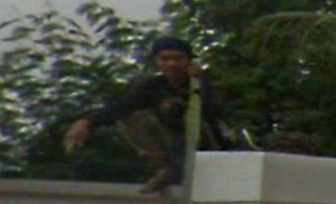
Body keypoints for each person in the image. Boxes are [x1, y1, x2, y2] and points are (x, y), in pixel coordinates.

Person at [63, 36, 225, 193]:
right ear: (157, 61)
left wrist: (200, 83)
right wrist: (87, 122)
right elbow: (121, 106)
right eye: (165, 59)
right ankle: (165, 168)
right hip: (169, 140)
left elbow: (216, 111)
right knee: (134, 118)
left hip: (201, 142)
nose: (172, 64)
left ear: (188, 60)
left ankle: (176, 169)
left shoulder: (204, 82)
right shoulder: (151, 87)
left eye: (178, 58)